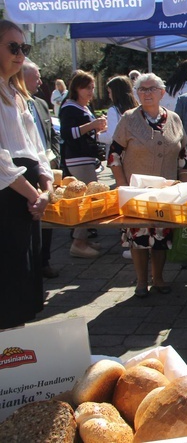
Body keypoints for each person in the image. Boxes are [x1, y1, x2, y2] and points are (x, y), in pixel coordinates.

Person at [109, 73, 187, 297]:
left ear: (162, 93)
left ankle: (159, 278)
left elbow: (183, 156)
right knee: (139, 237)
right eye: (141, 89)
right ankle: (141, 282)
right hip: (136, 192)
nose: (146, 93)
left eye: (151, 88)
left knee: (161, 237)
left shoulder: (174, 118)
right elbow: (114, 155)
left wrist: (184, 187)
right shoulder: (128, 119)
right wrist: (122, 186)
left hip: (166, 192)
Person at [0, 20, 52, 328]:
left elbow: (37, 148)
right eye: (13, 47)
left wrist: (47, 185)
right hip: (9, 196)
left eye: (24, 48)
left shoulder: (17, 93)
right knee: (9, 276)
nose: (20, 54)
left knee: (25, 274)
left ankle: (18, 350)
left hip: (28, 196)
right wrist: (35, 195)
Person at [59, 70, 107, 258]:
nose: (91, 92)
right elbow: (68, 134)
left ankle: (83, 239)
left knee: (88, 198)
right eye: (87, 88)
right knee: (85, 200)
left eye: (92, 88)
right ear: (76, 88)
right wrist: (93, 125)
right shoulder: (69, 108)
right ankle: (78, 242)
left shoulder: (81, 107)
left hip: (85, 157)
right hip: (77, 158)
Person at [23, 60, 61, 279]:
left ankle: (43, 261)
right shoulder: (10, 103)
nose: (40, 81)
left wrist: (54, 157)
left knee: (48, 216)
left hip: (47, 168)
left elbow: (52, 134)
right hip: (22, 172)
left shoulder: (40, 103)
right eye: (36, 76)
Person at [98, 76, 138, 156]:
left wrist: (97, 136)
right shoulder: (137, 108)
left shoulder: (114, 110)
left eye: (110, 92)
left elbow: (111, 136)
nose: (109, 96)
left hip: (120, 154)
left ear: (116, 92)